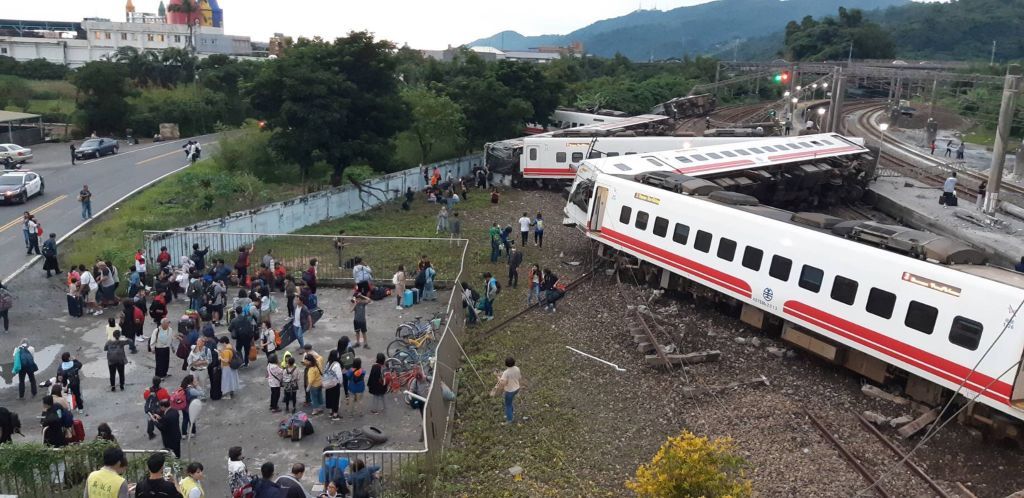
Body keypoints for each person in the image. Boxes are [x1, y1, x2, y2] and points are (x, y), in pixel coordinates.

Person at [491, 357, 523, 424]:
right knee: (510, 402)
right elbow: (519, 377)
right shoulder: (517, 368)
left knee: (507, 405)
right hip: (517, 388)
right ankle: (511, 413)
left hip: (510, 391)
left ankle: (510, 420)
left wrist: (498, 376)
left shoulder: (506, 373)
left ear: (506, 364)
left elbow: (503, 383)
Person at [323, 350, 344, 420]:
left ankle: (330, 412)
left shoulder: (328, 363)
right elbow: (339, 375)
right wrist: (340, 383)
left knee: (329, 397)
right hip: (335, 385)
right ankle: (335, 415)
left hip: (328, 383)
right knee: (335, 399)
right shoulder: (336, 365)